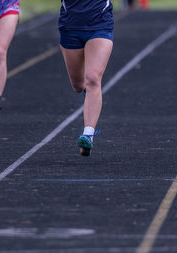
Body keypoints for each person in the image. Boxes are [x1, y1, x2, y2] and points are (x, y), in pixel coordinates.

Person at [59, 0, 114, 156]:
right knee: (78, 85)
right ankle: (90, 94)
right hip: (70, 26)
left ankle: (88, 134)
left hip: (100, 24)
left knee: (92, 78)